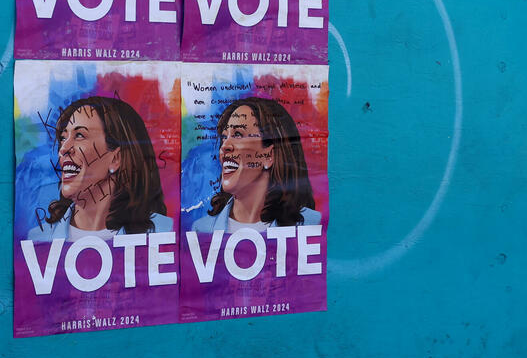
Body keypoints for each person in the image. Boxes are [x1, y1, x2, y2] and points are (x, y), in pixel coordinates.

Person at [29, 96, 172, 241]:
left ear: (116, 158)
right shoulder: (38, 238)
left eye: (79, 135)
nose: (63, 149)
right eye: (63, 137)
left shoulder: (165, 232)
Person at [192, 97, 319, 233]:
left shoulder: (312, 224)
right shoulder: (201, 230)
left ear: (269, 155)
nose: (224, 146)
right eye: (224, 137)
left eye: (238, 134)